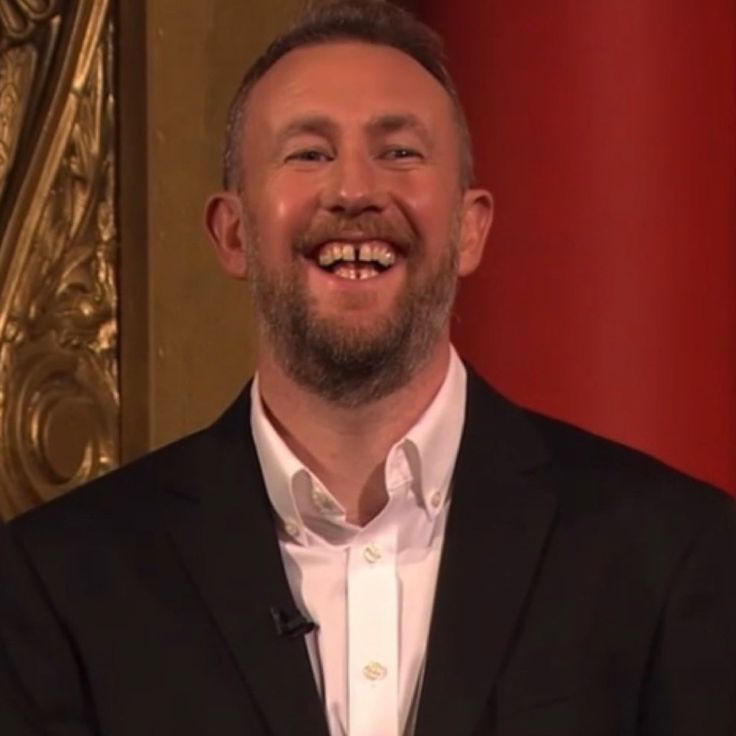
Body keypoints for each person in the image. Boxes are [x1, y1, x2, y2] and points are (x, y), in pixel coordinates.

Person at [1, 1, 735, 734]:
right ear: (232, 235)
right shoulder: (63, 582)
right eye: (309, 153)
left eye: (401, 153)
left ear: (470, 229)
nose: (354, 191)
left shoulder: (671, 554)